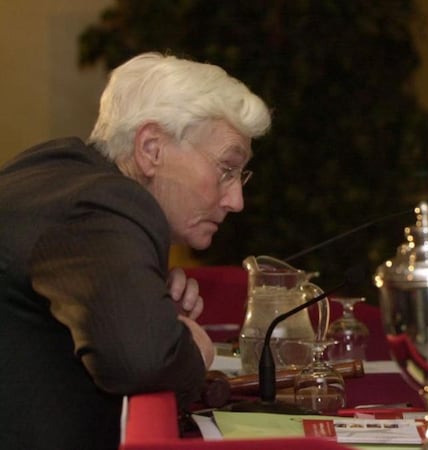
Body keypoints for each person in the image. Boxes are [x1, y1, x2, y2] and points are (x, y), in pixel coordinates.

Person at [0, 52, 271, 449]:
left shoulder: (55, 172)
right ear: (151, 148)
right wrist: (192, 349)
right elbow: (140, 362)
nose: (236, 200)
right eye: (226, 168)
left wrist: (150, 302)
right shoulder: (106, 202)